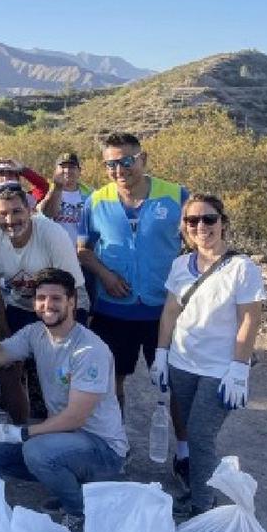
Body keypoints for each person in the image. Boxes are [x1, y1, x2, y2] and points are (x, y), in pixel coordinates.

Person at [0, 267, 129, 532]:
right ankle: (70, 480)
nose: (48, 305)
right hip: (65, 438)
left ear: (72, 302)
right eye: (41, 298)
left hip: (103, 449)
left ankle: (78, 511)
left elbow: (76, 417)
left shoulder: (89, 350)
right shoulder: (35, 333)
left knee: (37, 451)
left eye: (56, 298)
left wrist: (24, 432)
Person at [78, 132, 191, 482]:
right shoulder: (96, 201)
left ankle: (185, 453)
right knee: (113, 383)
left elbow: (197, 243)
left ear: (143, 158)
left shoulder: (176, 196)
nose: (120, 169)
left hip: (163, 309)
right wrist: (105, 275)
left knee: (176, 383)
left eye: (127, 160)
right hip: (115, 309)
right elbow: (83, 249)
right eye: (111, 163)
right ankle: (116, 445)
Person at [150, 194, 265, 516]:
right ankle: (197, 491)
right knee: (185, 427)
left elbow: (249, 319)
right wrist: (161, 353)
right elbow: (171, 312)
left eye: (209, 219)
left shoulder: (242, 268)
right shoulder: (179, 265)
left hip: (219, 369)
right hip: (182, 362)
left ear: (223, 223)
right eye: (192, 221)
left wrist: (239, 369)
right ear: (184, 228)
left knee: (201, 437)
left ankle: (203, 504)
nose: (201, 227)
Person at [0, 186, 88, 424]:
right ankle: (21, 427)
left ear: (30, 210)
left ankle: (62, 422)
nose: (10, 220)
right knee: (6, 365)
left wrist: (59, 339)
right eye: (2, 214)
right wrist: (4, 331)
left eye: (17, 212)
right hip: (20, 304)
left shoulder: (51, 233)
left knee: (56, 370)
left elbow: (72, 289)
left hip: (64, 302)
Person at [38, 152, 93, 242]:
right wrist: (57, 188)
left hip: (82, 251)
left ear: (79, 171)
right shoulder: (47, 192)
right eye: (63, 167)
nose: (67, 171)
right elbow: (46, 214)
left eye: (71, 167)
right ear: (55, 171)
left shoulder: (90, 195)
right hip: (56, 251)